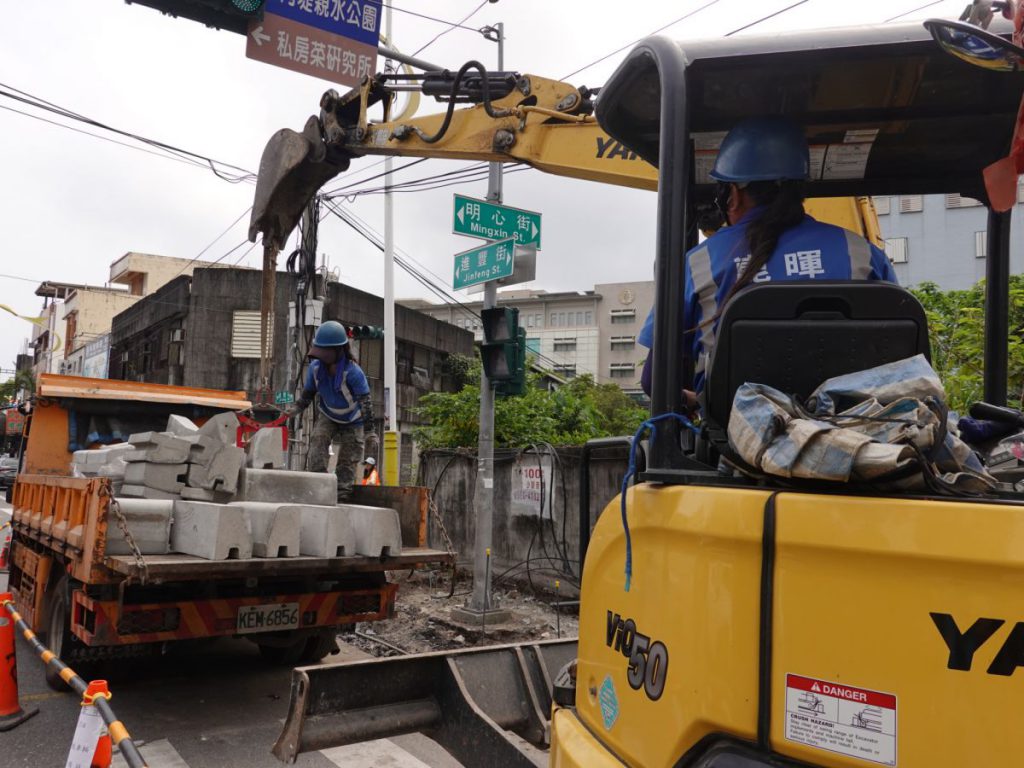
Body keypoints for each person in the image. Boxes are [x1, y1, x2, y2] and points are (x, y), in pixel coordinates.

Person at [639, 116, 898, 405]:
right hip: (854, 421)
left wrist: (698, 401)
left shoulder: (698, 263)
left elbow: (653, 381)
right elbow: (900, 353)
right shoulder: (862, 252)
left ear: (733, 195)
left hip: (733, 429)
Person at [289, 320, 378, 502]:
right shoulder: (315, 369)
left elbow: (365, 402)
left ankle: (342, 494)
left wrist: (370, 432)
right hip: (328, 414)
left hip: (353, 420)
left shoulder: (353, 372)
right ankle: (318, 485)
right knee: (318, 440)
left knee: (348, 457)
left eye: (326, 352)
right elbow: (308, 394)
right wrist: (295, 409)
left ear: (339, 350)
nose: (322, 356)